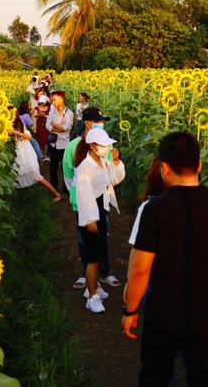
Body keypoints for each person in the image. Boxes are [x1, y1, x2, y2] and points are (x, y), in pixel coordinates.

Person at [122, 131, 208, 386]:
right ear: (199, 165)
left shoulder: (154, 211)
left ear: (164, 168)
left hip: (165, 311)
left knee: (157, 375)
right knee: (206, 378)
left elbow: (140, 270)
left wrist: (130, 309)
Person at [63, 107, 122, 291]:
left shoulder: (105, 145)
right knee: (85, 240)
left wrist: (117, 161)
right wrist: (77, 196)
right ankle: (87, 276)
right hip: (83, 202)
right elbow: (68, 176)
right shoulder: (73, 146)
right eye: (98, 120)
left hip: (102, 198)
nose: (101, 123)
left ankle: (103, 273)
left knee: (102, 237)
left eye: (102, 120)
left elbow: (110, 173)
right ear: (87, 123)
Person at [75, 128, 125, 313]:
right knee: (93, 258)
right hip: (92, 215)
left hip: (100, 209)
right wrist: (90, 220)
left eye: (107, 144)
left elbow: (114, 178)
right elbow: (83, 194)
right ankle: (92, 296)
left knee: (98, 253)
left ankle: (94, 287)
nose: (106, 147)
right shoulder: (84, 167)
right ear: (92, 145)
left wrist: (117, 161)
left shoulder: (102, 161)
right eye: (103, 145)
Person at [8, 107, 64, 202]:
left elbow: (28, 136)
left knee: (37, 177)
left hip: (25, 154)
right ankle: (16, 200)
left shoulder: (19, 124)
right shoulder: (7, 126)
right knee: (12, 176)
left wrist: (19, 133)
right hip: (17, 154)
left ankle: (57, 194)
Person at [46, 89, 73, 195]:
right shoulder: (52, 111)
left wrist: (54, 125)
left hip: (64, 144)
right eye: (52, 100)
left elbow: (65, 128)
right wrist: (57, 127)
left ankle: (66, 190)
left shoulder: (69, 113)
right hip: (53, 143)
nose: (53, 102)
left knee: (64, 169)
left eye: (55, 100)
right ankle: (54, 189)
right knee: (52, 167)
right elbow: (47, 125)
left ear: (61, 99)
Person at [34, 92, 51, 161]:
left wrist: (44, 116)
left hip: (46, 125)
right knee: (39, 138)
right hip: (40, 124)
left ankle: (45, 154)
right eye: (41, 103)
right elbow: (35, 115)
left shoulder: (49, 108)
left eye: (43, 103)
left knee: (46, 139)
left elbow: (51, 116)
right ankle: (41, 152)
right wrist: (39, 115)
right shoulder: (37, 108)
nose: (42, 104)